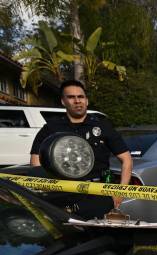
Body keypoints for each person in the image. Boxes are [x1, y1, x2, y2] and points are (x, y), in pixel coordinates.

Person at [30, 79, 133, 219]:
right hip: (61, 196)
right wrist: (47, 188)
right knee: (67, 238)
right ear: (63, 101)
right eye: (71, 97)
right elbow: (36, 162)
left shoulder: (103, 126)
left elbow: (126, 159)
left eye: (81, 97)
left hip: (98, 195)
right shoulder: (51, 128)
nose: (77, 101)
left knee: (98, 237)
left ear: (87, 100)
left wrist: (120, 191)